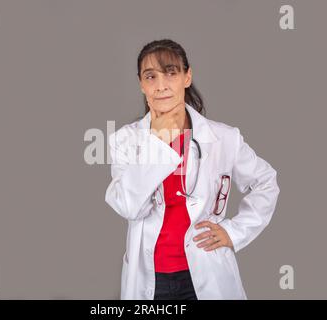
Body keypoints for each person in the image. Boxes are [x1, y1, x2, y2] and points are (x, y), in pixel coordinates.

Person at [105, 39, 280, 300]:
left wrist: (234, 232)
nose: (161, 85)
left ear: (187, 77)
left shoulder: (224, 137)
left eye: (171, 73)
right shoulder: (124, 141)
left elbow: (265, 182)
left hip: (207, 272)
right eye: (151, 76)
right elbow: (130, 207)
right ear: (142, 84)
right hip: (150, 278)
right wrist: (159, 143)